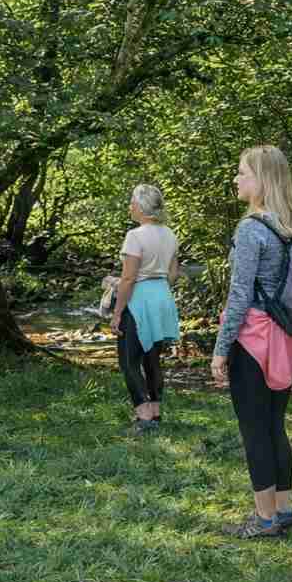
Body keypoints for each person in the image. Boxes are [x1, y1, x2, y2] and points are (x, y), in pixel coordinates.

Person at [212, 145, 292, 540]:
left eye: (243, 173)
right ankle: (284, 509)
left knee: (254, 429)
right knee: (274, 426)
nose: (236, 179)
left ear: (262, 181)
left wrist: (221, 348)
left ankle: (264, 519)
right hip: (283, 339)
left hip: (254, 341)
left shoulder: (250, 229)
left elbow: (239, 296)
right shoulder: (286, 227)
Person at [111, 184, 181, 435]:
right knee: (152, 360)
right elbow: (173, 274)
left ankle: (143, 418)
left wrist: (117, 312)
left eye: (132, 202)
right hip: (162, 296)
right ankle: (155, 411)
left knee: (129, 361)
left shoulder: (135, 236)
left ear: (141, 207)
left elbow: (128, 279)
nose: (130, 206)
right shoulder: (170, 234)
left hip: (138, 300)